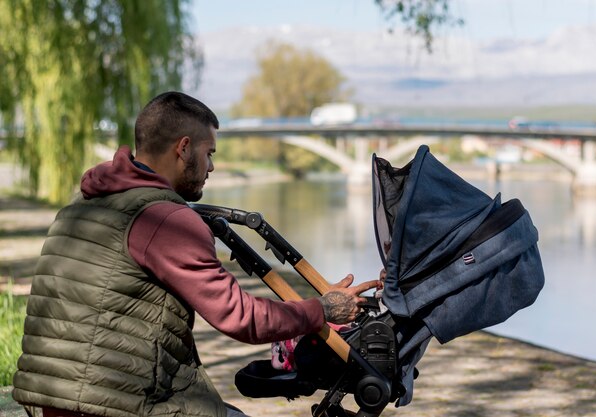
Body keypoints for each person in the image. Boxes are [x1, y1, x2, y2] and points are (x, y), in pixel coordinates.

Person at [12, 91, 378, 417]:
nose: (213, 167)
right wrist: (324, 310)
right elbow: (239, 317)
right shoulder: (166, 219)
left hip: (54, 397)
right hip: (115, 401)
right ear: (183, 148)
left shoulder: (83, 204)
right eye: (209, 154)